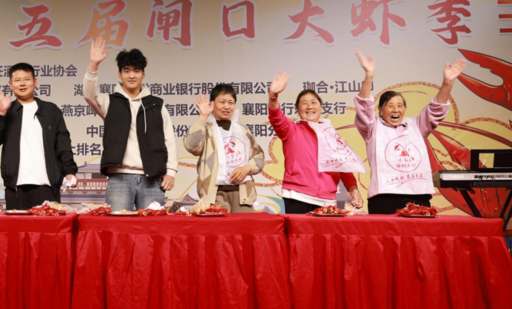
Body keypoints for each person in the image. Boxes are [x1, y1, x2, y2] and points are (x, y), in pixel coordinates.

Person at [354, 51, 466, 214]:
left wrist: (447, 83)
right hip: (384, 198)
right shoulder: (373, 128)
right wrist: (369, 76)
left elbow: (436, 109)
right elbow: (364, 108)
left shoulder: (416, 125)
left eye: (400, 105)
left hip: (418, 195)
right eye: (390, 105)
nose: (396, 109)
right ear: (381, 110)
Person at [84, 37, 178, 211]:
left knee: (152, 225)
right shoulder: (110, 102)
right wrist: (93, 64)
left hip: (152, 179)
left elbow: (169, 140)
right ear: (120, 74)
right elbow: (89, 94)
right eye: (126, 71)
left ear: (143, 74)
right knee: (117, 225)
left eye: (136, 71)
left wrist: (171, 172)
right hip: (119, 179)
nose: (132, 75)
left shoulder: (156, 104)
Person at [0, 63, 78, 209]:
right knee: (17, 224)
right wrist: (1, 113)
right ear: (10, 84)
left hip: (46, 183)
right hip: (16, 185)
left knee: (48, 223)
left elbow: (63, 143)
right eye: (17, 80)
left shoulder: (51, 110)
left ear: (35, 82)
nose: (22, 84)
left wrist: (69, 171)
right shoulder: (7, 111)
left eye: (27, 79)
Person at [269, 73, 365, 214]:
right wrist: (273, 96)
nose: (309, 106)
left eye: (314, 102)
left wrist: (353, 189)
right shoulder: (291, 130)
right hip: (297, 196)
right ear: (297, 109)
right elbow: (276, 118)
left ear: (321, 107)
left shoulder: (331, 135)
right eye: (304, 103)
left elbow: (343, 166)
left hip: (327, 200)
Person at [183, 84, 264, 213]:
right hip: (214, 193)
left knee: (244, 226)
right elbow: (191, 146)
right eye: (222, 102)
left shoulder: (243, 130)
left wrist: (247, 168)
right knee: (218, 226)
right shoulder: (206, 129)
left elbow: (258, 156)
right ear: (212, 104)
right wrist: (203, 116)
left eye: (231, 102)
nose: (227, 106)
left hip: (242, 193)